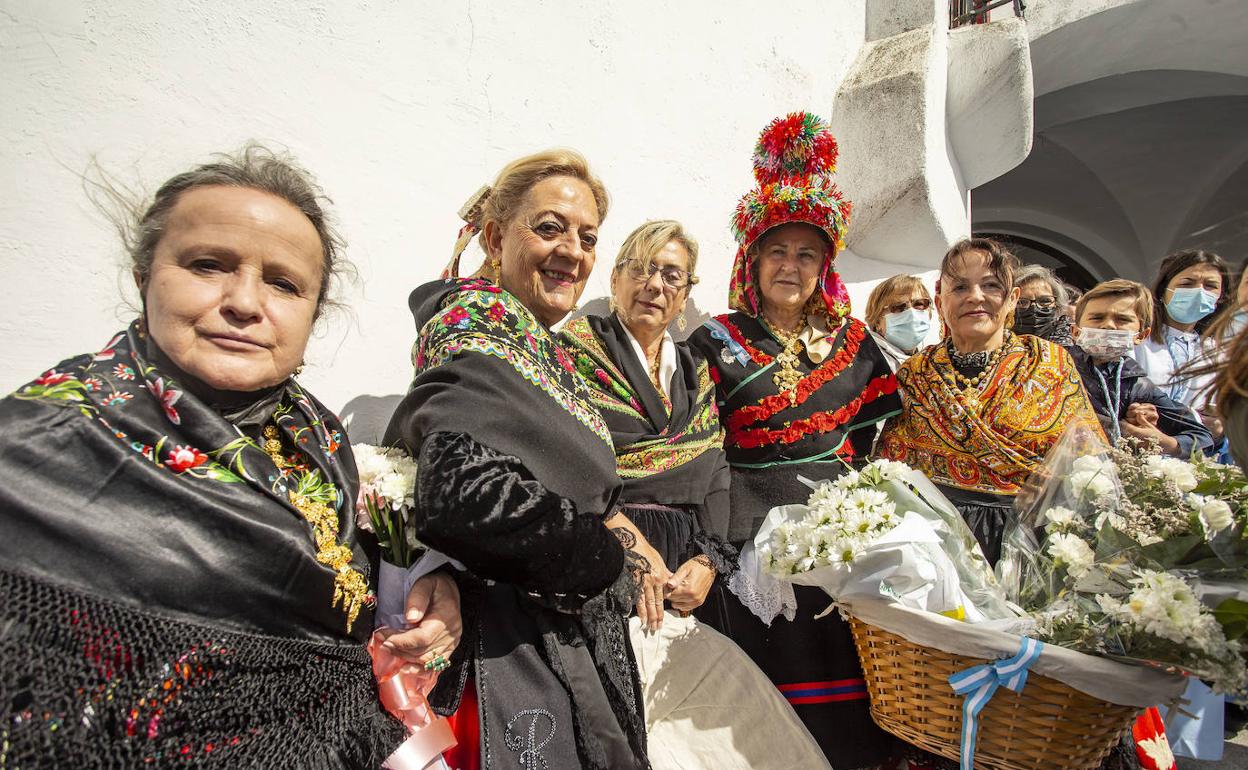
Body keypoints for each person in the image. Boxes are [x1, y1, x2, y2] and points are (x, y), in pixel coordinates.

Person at [0, 146, 460, 768]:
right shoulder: (38, 449)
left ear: (312, 313)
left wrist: (429, 586)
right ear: (144, 279)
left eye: (283, 283)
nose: (245, 302)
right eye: (208, 265)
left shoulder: (315, 441)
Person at [384, 149, 650, 770]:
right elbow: (463, 495)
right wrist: (605, 561)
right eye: (549, 228)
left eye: (588, 238)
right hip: (507, 648)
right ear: (496, 236)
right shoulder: (476, 327)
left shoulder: (546, 348)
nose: (573, 252)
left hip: (566, 635)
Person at [559, 220, 829, 769]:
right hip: (608, 544)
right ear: (615, 278)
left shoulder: (694, 371)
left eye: (671, 275)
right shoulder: (573, 355)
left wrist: (709, 559)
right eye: (641, 268)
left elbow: (717, 471)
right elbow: (571, 465)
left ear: (685, 295)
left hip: (687, 559)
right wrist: (630, 552)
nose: (654, 284)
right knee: (624, 716)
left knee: (697, 724)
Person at [687, 112, 903, 769]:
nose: (791, 265)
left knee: (849, 709)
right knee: (759, 705)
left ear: (825, 265)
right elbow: (700, 450)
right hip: (746, 540)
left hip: (840, 544)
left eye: (807, 253)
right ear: (752, 259)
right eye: (777, 251)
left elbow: (880, 445)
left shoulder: (856, 344)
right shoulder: (714, 339)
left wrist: (860, 517)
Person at [878, 238, 1105, 565]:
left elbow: (1086, 465)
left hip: (1028, 544)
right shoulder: (916, 373)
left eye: (991, 285)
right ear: (940, 299)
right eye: (960, 288)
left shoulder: (1049, 364)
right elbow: (890, 470)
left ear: (1012, 298)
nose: (975, 296)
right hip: (931, 545)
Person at [1069, 279, 1212, 456]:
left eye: (1122, 319)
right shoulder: (1051, 366)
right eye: (1097, 317)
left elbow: (1203, 438)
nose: (1108, 325)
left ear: (1142, 335)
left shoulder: (1138, 385)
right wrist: (1117, 427)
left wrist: (1161, 441)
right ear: (1075, 332)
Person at [1133, 250, 1232, 452]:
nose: (1199, 291)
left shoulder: (1217, 353)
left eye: (1210, 286)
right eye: (1187, 283)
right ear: (1163, 290)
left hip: (1194, 457)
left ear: (1220, 297)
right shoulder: (1138, 340)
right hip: (1137, 449)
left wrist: (1220, 429)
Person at [864, 274, 934, 370]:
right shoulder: (866, 362)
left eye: (919, 304)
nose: (912, 313)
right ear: (877, 322)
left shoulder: (931, 363)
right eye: (899, 307)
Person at [1012, 264, 1075, 346]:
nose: (1034, 308)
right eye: (1021, 302)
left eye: (1045, 301)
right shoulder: (996, 347)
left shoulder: (1074, 350)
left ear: (1057, 305)